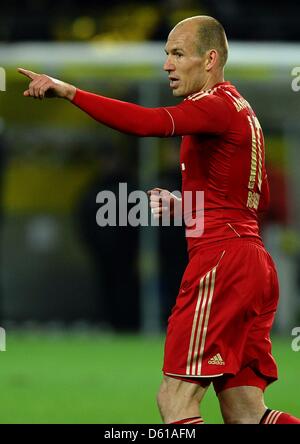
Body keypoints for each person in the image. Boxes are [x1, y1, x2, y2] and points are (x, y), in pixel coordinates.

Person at [18, 15, 300, 424]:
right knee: (246, 414)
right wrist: (188, 206)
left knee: (175, 399)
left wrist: (70, 91)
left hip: (222, 265)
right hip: (253, 263)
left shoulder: (214, 106)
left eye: (178, 54)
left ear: (210, 59)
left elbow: (148, 123)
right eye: (166, 54)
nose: (167, 64)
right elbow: (255, 200)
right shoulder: (243, 110)